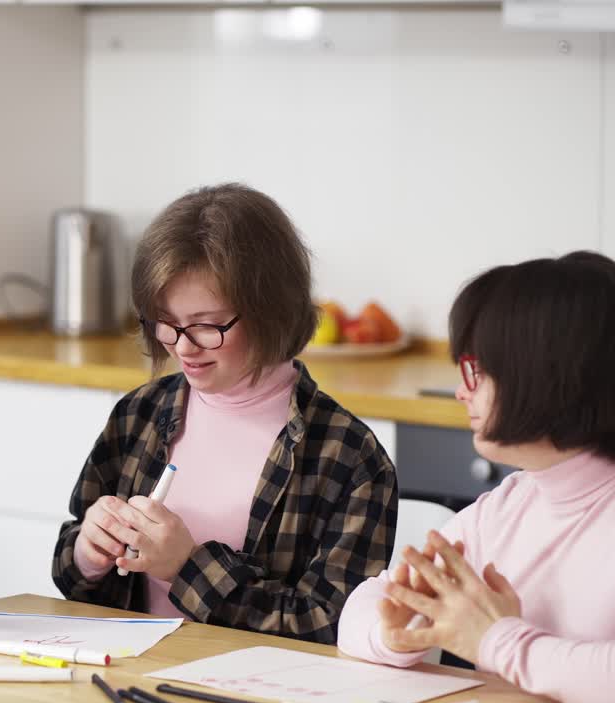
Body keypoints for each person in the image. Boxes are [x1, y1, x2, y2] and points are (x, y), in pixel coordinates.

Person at [336, 251, 615, 703]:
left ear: (544, 376)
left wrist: (496, 640)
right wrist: (391, 634)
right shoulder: (514, 502)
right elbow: (363, 606)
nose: (462, 391)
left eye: (476, 369)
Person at [51, 183, 397, 644]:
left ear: (272, 310)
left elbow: (330, 626)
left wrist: (187, 568)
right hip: (129, 679)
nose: (183, 347)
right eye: (167, 323)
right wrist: (86, 556)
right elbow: (70, 572)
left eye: (208, 325)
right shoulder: (139, 415)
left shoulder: (350, 458)